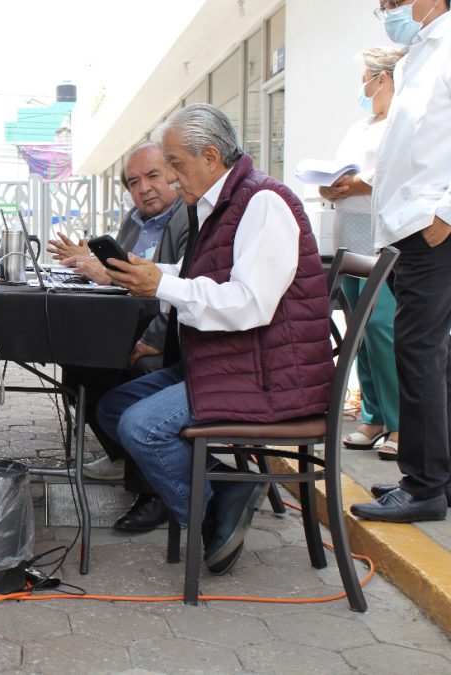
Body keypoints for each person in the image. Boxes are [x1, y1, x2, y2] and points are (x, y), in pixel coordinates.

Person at [100, 104, 334, 574]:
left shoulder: (264, 202)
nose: (169, 176)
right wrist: (147, 273)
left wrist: (162, 285)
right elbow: (205, 277)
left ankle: (209, 519)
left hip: (269, 376)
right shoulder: (219, 203)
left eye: (175, 165)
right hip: (233, 362)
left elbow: (249, 302)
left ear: (210, 157)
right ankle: (227, 488)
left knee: (141, 427)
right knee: (110, 407)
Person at [50, 143, 190, 534]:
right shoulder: (134, 221)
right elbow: (120, 276)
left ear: (174, 175)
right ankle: (127, 458)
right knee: (78, 365)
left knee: (137, 371)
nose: (143, 188)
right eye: (133, 182)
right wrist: (90, 262)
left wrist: (154, 341)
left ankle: (154, 493)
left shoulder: (185, 220)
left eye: (153, 176)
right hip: (132, 329)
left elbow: (182, 289)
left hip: (170, 341)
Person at [351, 0, 451, 523]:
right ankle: (437, 478)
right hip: (413, 227)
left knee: (416, 352)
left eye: (393, 1)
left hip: (433, 228)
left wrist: (444, 213)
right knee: (431, 355)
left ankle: (424, 487)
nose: (388, 9)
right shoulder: (419, 53)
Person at [319, 47, 404, 461]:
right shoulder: (361, 125)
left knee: (385, 330)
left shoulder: (402, 121)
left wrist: (356, 185)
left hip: (382, 240)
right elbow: (341, 171)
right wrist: (329, 186)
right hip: (348, 241)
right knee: (361, 333)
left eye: (365, 78)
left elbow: (395, 174)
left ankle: (400, 423)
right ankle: (373, 416)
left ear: (384, 78)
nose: (362, 87)